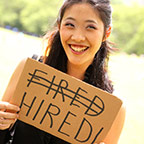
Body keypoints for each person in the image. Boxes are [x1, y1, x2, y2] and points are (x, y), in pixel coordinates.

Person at [0, 0, 125, 143]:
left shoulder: (113, 109)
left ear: (106, 33)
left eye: (90, 27)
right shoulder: (28, 70)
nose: (78, 37)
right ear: (59, 26)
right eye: (70, 25)